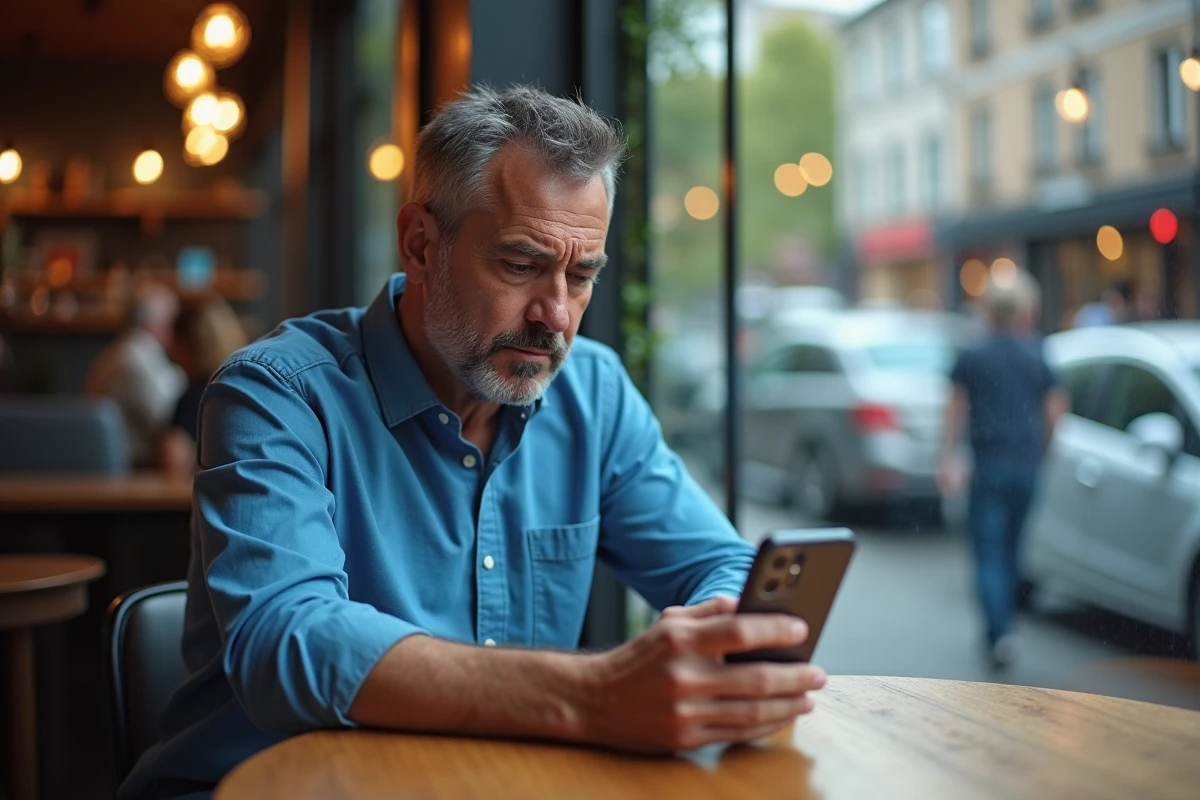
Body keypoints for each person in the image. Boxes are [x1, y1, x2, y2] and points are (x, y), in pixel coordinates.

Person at [121, 86, 826, 799]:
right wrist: (594, 694)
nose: (556, 316)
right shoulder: (276, 393)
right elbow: (288, 644)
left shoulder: (593, 394)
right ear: (422, 244)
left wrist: (714, 643)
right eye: (521, 265)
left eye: (581, 276)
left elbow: (723, 564)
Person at [938, 270, 1067, 669]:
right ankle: (1005, 627)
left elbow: (955, 412)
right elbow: (1055, 412)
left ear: (989, 311)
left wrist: (948, 457)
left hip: (988, 466)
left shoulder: (973, 356)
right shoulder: (1037, 354)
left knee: (988, 551)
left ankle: (998, 632)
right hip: (1026, 466)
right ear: (1027, 310)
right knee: (1012, 549)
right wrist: (1041, 452)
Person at [85, 281, 186, 466]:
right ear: (158, 322)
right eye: (172, 321)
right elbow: (164, 418)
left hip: (122, 461)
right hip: (133, 467)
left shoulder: (123, 350)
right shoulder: (136, 356)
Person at [158, 297, 248, 474]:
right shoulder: (245, 387)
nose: (171, 351)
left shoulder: (198, 395)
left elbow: (173, 453)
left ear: (190, 345)